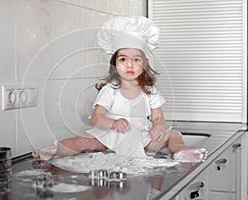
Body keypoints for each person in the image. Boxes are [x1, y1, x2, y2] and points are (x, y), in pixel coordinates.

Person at [32, 16, 207, 162]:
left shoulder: (149, 90)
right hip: (112, 135)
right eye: (123, 59)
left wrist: (159, 127)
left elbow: (158, 116)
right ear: (115, 64)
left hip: (141, 136)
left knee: (173, 134)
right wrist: (113, 123)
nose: (129, 64)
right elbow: (96, 118)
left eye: (136, 59)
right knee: (86, 142)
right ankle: (54, 149)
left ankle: (181, 151)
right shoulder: (110, 90)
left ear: (144, 64)